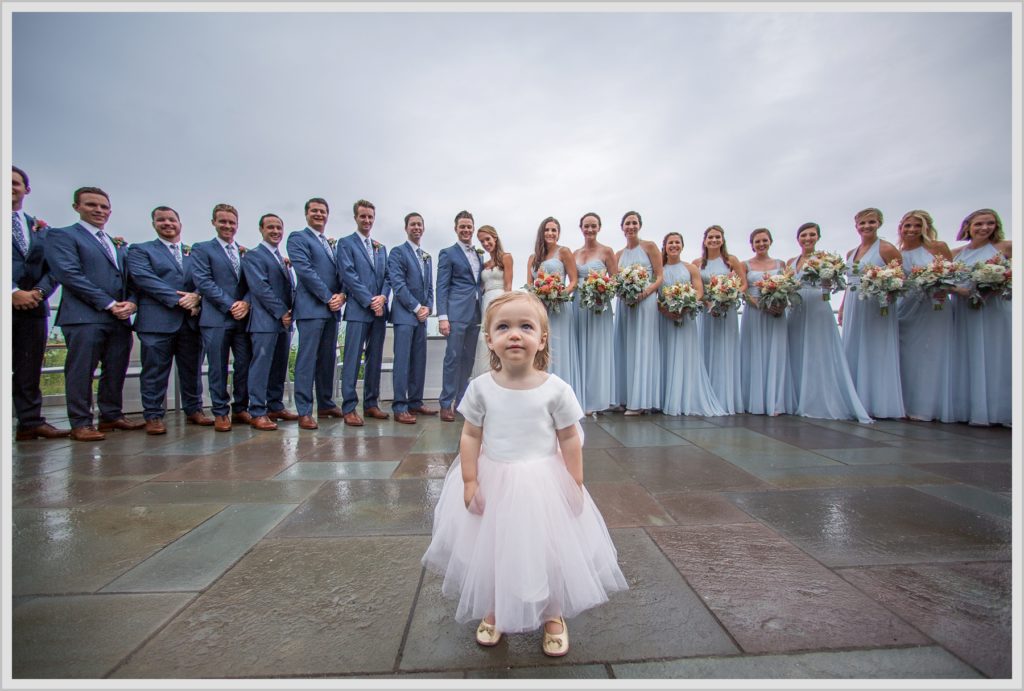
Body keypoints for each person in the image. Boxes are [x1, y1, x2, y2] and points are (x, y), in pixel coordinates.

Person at [422, 291, 627, 656]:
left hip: (543, 485)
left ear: (541, 339)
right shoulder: (482, 388)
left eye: (525, 326)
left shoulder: (556, 390)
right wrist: (470, 480)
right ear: (490, 340)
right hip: (495, 480)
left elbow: (569, 439)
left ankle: (553, 613)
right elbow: (470, 435)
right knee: (493, 549)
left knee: (547, 551)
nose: (514, 334)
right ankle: (496, 607)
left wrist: (574, 483)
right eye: (503, 327)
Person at [45, 186, 144, 441]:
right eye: (91, 205)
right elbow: (69, 275)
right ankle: (81, 421)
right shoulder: (63, 236)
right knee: (81, 370)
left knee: (115, 367)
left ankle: (111, 415)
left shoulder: (116, 244)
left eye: (103, 206)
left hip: (119, 318)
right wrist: (109, 303)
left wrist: (131, 303)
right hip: (84, 317)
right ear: (77, 207)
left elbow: (130, 279)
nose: (98, 210)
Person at [125, 206, 212, 435]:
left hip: (191, 321)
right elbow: (145, 279)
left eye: (172, 219)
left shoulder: (193, 253)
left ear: (180, 224)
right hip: (158, 321)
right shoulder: (141, 250)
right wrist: (180, 301)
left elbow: (203, 279)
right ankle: (153, 415)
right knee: (155, 370)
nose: (167, 223)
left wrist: (197, 297)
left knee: (192, 368)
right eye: (161, 220)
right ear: (154, 224)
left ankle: (194, 409)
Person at [786, 222, 872, 424]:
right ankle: (797, 397)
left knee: (819, 351)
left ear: (817, 237)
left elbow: (836, 284)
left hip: (818, 304)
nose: (807, 238)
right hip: (797, 307)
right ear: (798, 239)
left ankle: (821, 400)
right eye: (804, 235)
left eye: (811, 235)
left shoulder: (826, 259)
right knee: (796, 349)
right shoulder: (791, 261)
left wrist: (828, 283)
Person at [11, 166, 69, 440]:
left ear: (26, 189)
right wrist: (10, 291)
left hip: (34, 306)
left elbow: (54, 266)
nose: (11, 187)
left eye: (15, 183)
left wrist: (39, 292)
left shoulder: (39, 228)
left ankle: (30, 421)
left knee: (28, 367)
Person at [838, 208, 905, 419]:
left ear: (879, 224)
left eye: (871, 222)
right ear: (856, 225)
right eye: (863, 223)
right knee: (854, 347)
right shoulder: (852, 253)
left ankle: (880, 403)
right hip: (854, 304)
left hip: (877, 305)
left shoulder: (886, 249)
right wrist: (842, 307)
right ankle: (856, 400)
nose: (867, 226)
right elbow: (850, 283)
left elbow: (899, 278)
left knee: (876, 349)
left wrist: (881, 287)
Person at [191, 203, 252, 432]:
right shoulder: (202, 249)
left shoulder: (244, 252)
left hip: (242, 318)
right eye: (223, 222)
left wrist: (245, 302)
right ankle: (220, 411)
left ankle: (241, 408)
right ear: (214, 223)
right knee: (218, 366)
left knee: (244, 363)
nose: (228, 226)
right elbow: (203, 282)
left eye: (231, 222)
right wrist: (230, 305)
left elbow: (250, 282)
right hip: (216, 318)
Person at [286, 197, 345, 430]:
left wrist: (342, 295)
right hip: (312, 309)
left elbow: (340, 272)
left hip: (332, 311)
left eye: (322, 211)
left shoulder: (331, 244)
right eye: (314, 211)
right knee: (306, 359)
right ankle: (304, 410)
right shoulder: (298, 238)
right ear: (306, 214)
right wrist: (329, 297)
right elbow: (306, 271)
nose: (319, 214)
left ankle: (326, 403)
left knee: (327, 359)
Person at [950, 208, 1012, 426]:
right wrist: (958, 290)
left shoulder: (1005, 247)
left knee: (997, 353)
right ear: (968, 226)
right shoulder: (956, 253)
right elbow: (946, 281)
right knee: (968, 353)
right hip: (965, 308)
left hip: (994, 307)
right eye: (979, 224)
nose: (985, 228)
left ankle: (1002, 410)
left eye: (990, 223)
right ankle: (972, 408)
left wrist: (998, 284)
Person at [895, 210, 956, 423]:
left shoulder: (937, 248)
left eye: (917, 226)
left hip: (934, 305)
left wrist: (942, 286)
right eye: (908, 226)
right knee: (906, 353)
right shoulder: (897, 252)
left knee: (932, 352)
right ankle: (906, 403)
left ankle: (929, 406)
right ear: (901, 228)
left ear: (925, 228)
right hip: (907, 305)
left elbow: (952, 275)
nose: (911, 230)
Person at [658, 232, 726, 417]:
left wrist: (685, 305)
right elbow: (655, 294)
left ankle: (685, 399)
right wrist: (664, 309)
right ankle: (664, 398)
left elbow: (698, 291)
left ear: (682, 245)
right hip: (665, 318)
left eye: (677, 242)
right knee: (666, 353)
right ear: (664, 246)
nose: (674, 245)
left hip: (686, 318)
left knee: (685, 355)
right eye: (670, 242)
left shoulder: (690, 268)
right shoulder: (659, 269)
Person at [336, 199, 390, 427]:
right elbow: (348, 275)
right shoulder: (346, 244)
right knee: (352, 359)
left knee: (374, 358)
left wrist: (383, 297)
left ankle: (371, 403)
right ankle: (349, 407)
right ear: (356, 218)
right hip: (359, 310)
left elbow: (387, 276)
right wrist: (369, 300)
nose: (367, 220)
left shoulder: (380, 247)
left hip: (379, 312)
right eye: (363, 216)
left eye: (370, 217)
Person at [241, 214, 296, 431]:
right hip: (265, 322)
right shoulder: (254, 256)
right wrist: (281, 311)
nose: (275, 231)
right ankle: (257, 410)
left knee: (278, 366)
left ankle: (275, 405)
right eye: (270, 227)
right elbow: (260, 288)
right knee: (261, 366)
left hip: (283, 323)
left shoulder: (279, 258)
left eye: (278, 227)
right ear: (261, 229)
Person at [387, 212, 437, 424]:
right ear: (406, 228)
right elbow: (398, 285)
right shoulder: (397, 253)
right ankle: (400, 406)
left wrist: (428, 308)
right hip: (404, 316)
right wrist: (416, 307)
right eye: (412, 224)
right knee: (402, 361)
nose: (416, 227)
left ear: (423, 228)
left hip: (421, 318)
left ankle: (416, 401)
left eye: (419, 224)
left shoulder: (427, 257)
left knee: (419, 360)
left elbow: (430, 287)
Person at [739, 228, 794, 416]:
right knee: (754, 352)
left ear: (770, 242)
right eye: (757, 241)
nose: (761, 244)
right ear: (752, 244)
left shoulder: (781, 264)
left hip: (776, 313)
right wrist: (761, 305)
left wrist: (781, 304)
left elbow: (790, 287)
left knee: (776, 352)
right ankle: (754, 400)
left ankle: (775, 401)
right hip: (755, 312)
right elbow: (742, 290)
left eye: (764, 240)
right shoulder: (745, 265)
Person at [436, 210, 484, 422]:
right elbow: (441, 287)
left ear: (473, 228)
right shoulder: (447, 253)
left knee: (468, 359)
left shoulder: (479, 254)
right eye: (462, 226)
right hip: (455, 313)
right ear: (456, 229)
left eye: (469, 226)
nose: (466, 230)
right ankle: (446, 403)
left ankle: (461, 400)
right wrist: (442, 317)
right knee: (453, 357)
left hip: (476, 313)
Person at [613, 211, 663, 415]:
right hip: (626, 303)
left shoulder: (649, 247)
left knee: (643, 346)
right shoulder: (618, 255)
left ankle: (641, 401)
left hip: (646, 301)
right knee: (626, 346)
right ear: (622, 227)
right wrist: (623, 293)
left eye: (634, 223)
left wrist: (646, 292)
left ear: (639, 225)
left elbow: (660, 276)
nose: (631, 227)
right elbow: (615, 281)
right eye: (627, 223)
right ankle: (625, 397)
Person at [527, 217, 581, 400]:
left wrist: (559, 294)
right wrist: (538, 297)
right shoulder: (533, 258)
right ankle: (542, 395)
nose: (550, 233)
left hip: (560, 307)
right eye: (547, 230)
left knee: (560, 347)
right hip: (540, 310)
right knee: (542, 348)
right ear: (542, 232)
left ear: (558, 233)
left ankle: (563, 398)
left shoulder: (564, 252)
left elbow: (573, 281)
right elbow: (529, 285)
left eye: (554, 230)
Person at [693, 225, 745, 414]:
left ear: (722, 240)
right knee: (706, 348)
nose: (714, 240)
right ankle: (706, 394)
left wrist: (729, 295)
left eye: (717, 237)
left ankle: (726, 398)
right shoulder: (698, 263)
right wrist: (709, 304)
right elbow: (696, 287)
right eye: (710, 237)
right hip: (707, 312)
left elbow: (743, 283)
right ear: (704, 240)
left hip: (727, 311)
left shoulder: (731, 261)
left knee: (726, 350)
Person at [573, 212, 618, 415]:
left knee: (597, 348)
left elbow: (615, 280)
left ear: (599, 228)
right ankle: (581, 396)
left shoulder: (607, 251)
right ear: (581, 228)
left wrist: (603, 292)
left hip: (599, 304)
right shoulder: (574, 253)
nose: (590, 229)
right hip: (578, 304)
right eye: (586, 226)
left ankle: (598, 399)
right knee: (582, 347)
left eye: (593, 226)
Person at [470, 225, 512, 379]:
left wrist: (506, 306)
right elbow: (480, 288)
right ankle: (483, 376)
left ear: (495, 237)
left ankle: (501, 374)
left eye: (487, 239)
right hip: (485, 303)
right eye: (482, 242)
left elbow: (508, 286)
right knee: (484, 338)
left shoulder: (506, 257)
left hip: (500, 301)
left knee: (498, 335)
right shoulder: (485, 264)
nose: (486, 244)